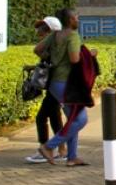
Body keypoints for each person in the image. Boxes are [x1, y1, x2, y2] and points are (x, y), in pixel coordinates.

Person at [35, 9, 90, 167]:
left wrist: (51, 59)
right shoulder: (73, 36)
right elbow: (74, 59)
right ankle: (48, 146)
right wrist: (87, 56)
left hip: (53, 83)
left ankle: (72, 157)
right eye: (76, 17)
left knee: (72, 119)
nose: (78, 19)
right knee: (81, 119)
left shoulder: (55, 34)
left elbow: (37, 50)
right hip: (66, 84)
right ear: (70, 20)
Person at [25, 17, 68, 164]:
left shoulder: (55, 47)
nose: (40, 34)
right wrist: (32, 67)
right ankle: (62, 150)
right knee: (55, 117)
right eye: (39, 31)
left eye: (43, 31)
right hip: (54, 87)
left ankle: (44, 149)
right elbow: (46, 64)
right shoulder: (53, 47)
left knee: (41, 117)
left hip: (56, 86)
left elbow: (38, 51)